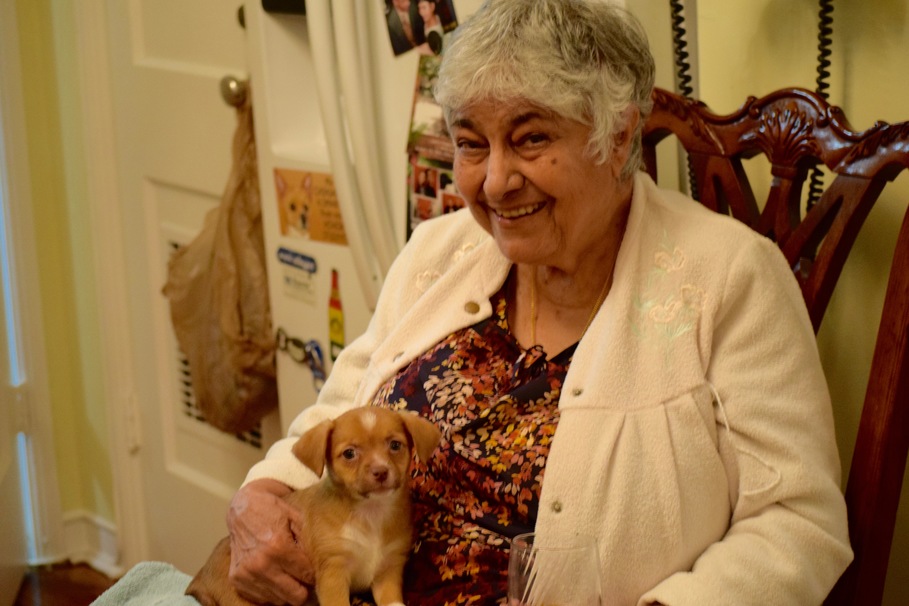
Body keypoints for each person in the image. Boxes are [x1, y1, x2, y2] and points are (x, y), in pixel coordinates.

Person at [227, 0, 852, 604]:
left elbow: (799, 522)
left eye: (529, 140)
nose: (496, 182)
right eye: (472, 144)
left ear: (618, 135)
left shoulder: (730, 278)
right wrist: (262, 495)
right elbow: (342, 408)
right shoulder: (437, 250)